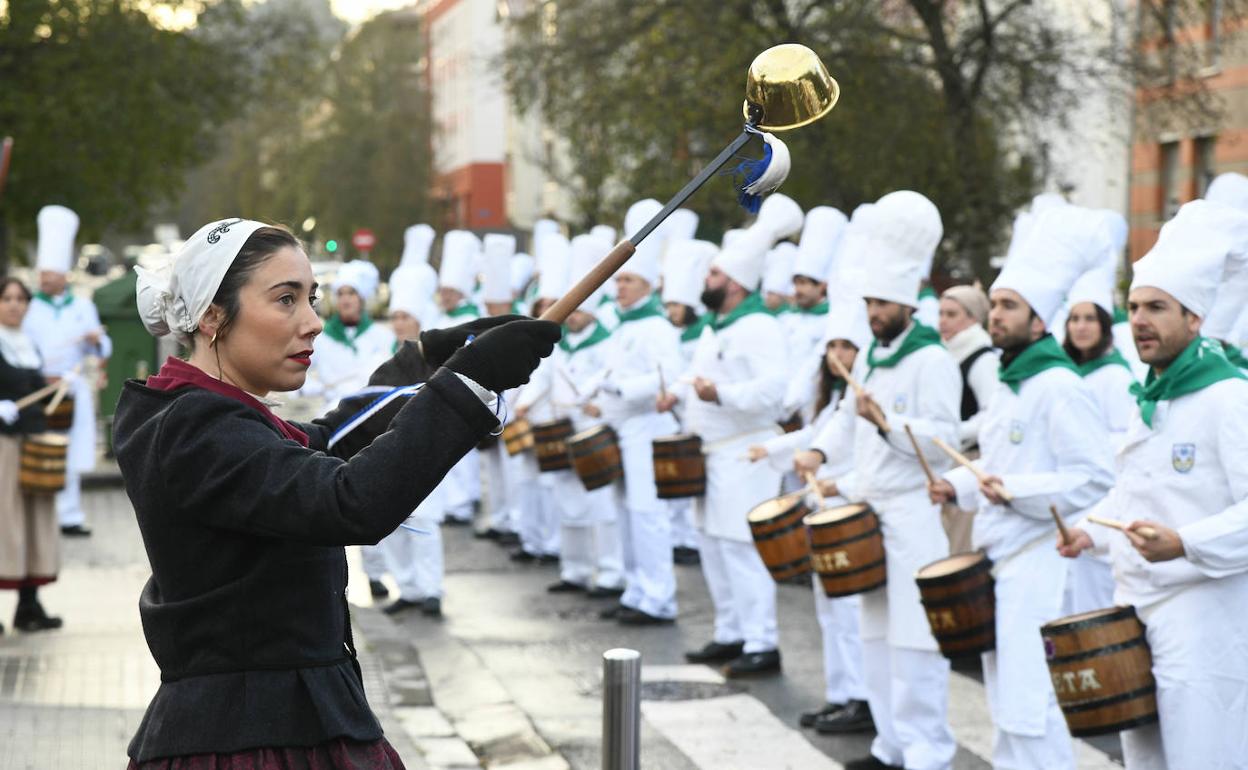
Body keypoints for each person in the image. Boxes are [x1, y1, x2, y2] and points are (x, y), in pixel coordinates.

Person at [119, 218, 557, 768]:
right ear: (211, 315)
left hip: (281, 723)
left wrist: (424, 363)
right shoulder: (194, 428)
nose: (313, 322)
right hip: (247, 743)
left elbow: (323, 445)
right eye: (286, 300)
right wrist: (466, 381)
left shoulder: (206, 412)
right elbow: (347, 499)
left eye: (312, 298)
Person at [1058, 200, 1248, 770]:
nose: (1138, 319)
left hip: (1204, 618)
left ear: (1194, 319)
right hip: (1136, 609)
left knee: (1202, 757)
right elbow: (1137, 491)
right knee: (1143, 760)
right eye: (1135, 306)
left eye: (1157, 308)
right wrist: (1091, 529)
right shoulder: (1152, 398)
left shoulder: (1228, 397)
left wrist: (1185, 543)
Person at [929, 204, 1117, 770]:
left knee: (1032, 706)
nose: (996, 316)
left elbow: (1095, 476)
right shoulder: (1013, 380)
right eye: (998, 305)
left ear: (1040, 322)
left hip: (1038, 562)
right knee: (1007, 703)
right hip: (1000, 555)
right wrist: (957, 484)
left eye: (1010, 306)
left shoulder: (1059, 384)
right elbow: (997, 458)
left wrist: (1013, 490)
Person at [799, 191, 959, 770]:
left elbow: (946, 441)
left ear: (904, 302)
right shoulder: (869, 356)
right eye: (867, 302)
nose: (872, 313)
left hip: (913, 515)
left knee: (916, 643)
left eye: (880, 303)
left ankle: (927, 753)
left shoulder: (933, 360)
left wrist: (890, 424)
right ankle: (888, 746)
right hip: (870, 510)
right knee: (874, 636)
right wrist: (817, 451)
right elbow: (844, 418)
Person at [750, 251, 873, 733]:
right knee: (829, 609)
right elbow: (817, 436)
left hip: (852, 510)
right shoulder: (835, 398)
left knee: (851, 611)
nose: (837, 355)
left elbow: (857, 451)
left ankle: (862, 698)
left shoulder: (864, 396)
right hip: (826, 508)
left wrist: (827, 472)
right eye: (833, 346)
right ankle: (840, 692)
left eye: (847, 346)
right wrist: (774, 449)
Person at [660, 223, 789, 676]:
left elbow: (775, 392)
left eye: (713, 274)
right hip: (710, 452)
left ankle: (762, 641)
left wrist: (724, 396)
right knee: (713, 546)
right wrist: (676, 394)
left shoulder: (758, 327)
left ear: (734, 283)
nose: (705, 281)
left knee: (742, 548)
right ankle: (731, 631)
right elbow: (698, 375)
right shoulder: (719, 326)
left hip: (744, 452)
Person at [596, 199, 684, 625]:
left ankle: (658, 597)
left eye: (628, 279)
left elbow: (668, 377)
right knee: (627, 513)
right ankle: (636, 589)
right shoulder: (622, 324)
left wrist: (620, 387)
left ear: (647, 284)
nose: (620, 287)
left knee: (649, 516)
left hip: (647, 426)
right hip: (620, 427)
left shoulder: (658, 326)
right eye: (619, 280)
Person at [543, 231, 626, 598]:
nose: (572, 314)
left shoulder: (609, 339)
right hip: (562, 427)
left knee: (602, 505)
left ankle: (610, 573)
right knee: (567, 503)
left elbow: (614, 381)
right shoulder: (558, 342)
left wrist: (601, 406)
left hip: (594, 430)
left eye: (579, 306)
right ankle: (573, 568)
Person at [23, 205, 111, 537]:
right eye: (42, 274)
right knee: (37, 450)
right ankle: (39, 517)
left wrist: (95, 341)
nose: (46, 280)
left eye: (51, 275)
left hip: (71, 388)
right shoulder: (30, 308)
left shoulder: (82, 306)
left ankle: (70, 515)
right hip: (39, 389)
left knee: (70, 453)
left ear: (63, 276)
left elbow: (103, 348)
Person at [373, 260, 448, 618]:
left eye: (407, 316)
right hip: (387, 444)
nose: (400, 323)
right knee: (393, 520)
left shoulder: (436, 356)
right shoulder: (381, 354)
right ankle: (408, 586)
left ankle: (432, 588)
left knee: (426, 520)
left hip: (427, 445)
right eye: (396, 316)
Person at [0, 277, 62, 633]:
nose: (14, 305)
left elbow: (38, 392)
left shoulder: (28, 344)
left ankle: (29, 605)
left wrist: (60, 383)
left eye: (20, 299)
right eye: (7, 298)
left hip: (32, 443)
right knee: (4, 524)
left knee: (33, 522)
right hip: (3, 447)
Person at [936, 283, 997, 554]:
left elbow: (991, 414)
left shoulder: (982, 358)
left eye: (952, 314)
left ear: (972, 318)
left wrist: (954, 432)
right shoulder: (947, 354)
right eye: (941, 314)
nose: (943, 321)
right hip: (949, 458)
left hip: (969, 459)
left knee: (961, 545)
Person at [432, 230, 484, 526]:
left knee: (464, 454)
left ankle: (463, 503)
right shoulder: (439, 318)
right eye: (443, 290)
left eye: (451, 291)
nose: (445, 296)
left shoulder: (472, 317)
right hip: (442, 389)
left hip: (463, 391)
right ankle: (451, 501)